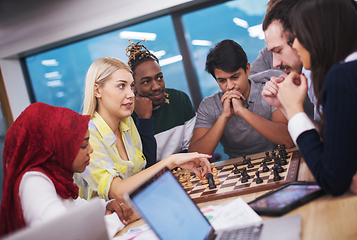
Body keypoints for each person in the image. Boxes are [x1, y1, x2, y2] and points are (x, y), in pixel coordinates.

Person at [76, 56, 211, 202]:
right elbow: (118, 191)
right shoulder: (87, 135)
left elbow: (140, 177)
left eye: (131, 86)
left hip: (134, 212)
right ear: (97, 90)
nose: (130, 94)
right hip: (106, 222)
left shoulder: (127, 123)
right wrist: (171, 161)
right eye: (122, 86)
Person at [262, 0, 357, 196]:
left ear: (319, 34)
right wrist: (287, 108)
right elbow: (335, 142)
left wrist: (295, 112)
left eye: (298, 35)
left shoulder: (341, 77)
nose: (295, 44)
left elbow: (332, 178)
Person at [0, 103, 126, 238]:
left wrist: (106, 207)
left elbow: (77, 208)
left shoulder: (57, 176)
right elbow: (69, 234)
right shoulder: (33, 182)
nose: (90, 150)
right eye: (84, 145)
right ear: (59, 147)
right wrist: (122, 218)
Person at [188, 39, 294, 159]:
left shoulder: (268, 91)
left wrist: (242, 112)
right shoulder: (209, 105)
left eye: (235, 77)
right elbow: (194, 157)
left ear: (247, 69)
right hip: (236, 171)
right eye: (222, 80)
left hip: (278, 162)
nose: (229, 86)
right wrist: (224, 117)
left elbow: (288, 140)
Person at [126, 41, 196, 166]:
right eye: (146, 82)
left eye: (159, 77)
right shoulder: (127, 116)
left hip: (184, 171)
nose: (156, 86)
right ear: (134, 87)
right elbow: (144, 165)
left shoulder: (180, 99)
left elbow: (191, 150)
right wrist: (144, 120)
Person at [253, 0, 316, 121]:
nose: (275, 64)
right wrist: (284, 107)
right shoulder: (311, 75)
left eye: (278, 51)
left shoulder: (335, 76)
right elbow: (322, 136)